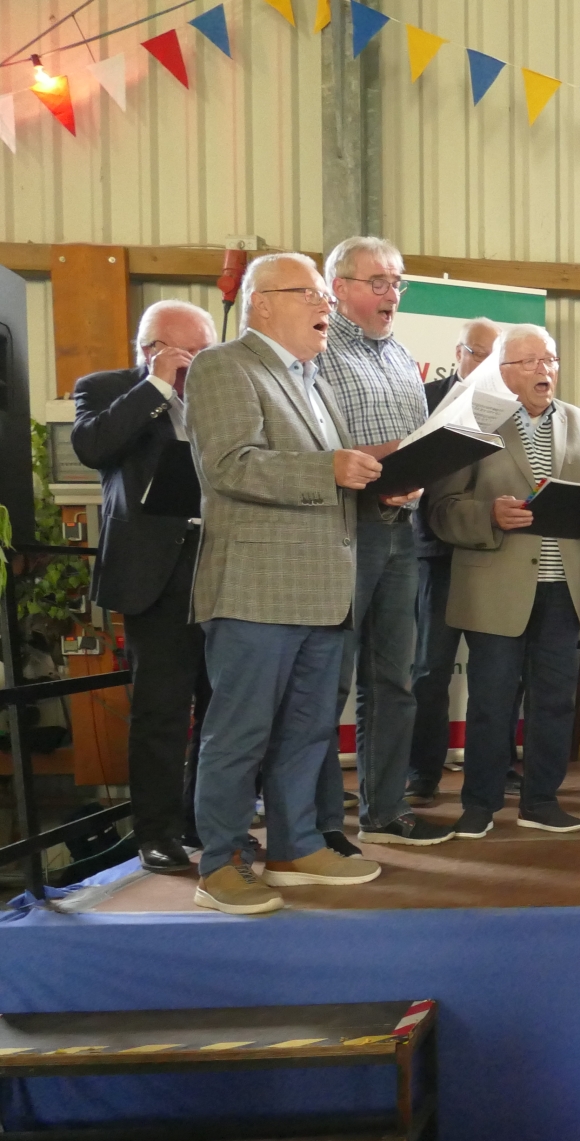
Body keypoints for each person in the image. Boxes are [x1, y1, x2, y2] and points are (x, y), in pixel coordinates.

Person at [183, 252, 389, 915]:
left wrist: (382, 487)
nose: (326, 305)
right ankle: (221, 864)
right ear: (262, 302)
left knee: (308, 732)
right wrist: (329, 469)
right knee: (239, 734)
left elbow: (330, 477)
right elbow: (229, 465)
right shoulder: (224, 365)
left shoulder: (315, 381)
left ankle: (295, 847)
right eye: (311, 293)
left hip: (325, 589)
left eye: (327, 295)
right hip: (256, 588)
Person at [428, 324, 580, 838]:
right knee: (491, 702)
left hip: (563, 587)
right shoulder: (472, 419)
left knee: (554, 701)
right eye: (530, 362)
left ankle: (541, 801)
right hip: (495, 589)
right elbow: (441, 510)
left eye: (550, 360)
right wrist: (488, 515)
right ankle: (479, 804)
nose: (544, 370)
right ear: (502, 370)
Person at [313, 236, 453, 848]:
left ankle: (385, 810)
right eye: (379, 282)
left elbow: (413, 440)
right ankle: (320, 824)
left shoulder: (400, 354)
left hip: (401, 529)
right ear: (339, 288)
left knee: (393, 679)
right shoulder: (319, 352)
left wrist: (418, 471)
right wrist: (389, 464)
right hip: (343, 529)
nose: (392, 294)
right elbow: (317, 449)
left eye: (398, 282)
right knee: (328, 680)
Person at [70, 300, 219, 874]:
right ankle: (156, 833)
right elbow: (93, 448)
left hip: (223, 564)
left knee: (222, 708)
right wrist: (156, 384)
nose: (198, 363)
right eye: (187, 352)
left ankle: (206, 822)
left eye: (206, 351)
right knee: (161, 712)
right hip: (155, 575)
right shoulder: (106, 388)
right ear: (150, 348)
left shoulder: (221, 392)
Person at [408, 317, 499, 802]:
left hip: (494, 552)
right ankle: (422, 771)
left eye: (494, 355)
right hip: (435, 551)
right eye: (477, 352)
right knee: (431, 668)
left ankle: (495, 768)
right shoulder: (425, 398)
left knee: (496, 671)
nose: (485, 363)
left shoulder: (511, 405)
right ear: (458, 353)